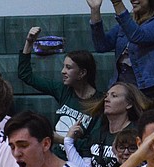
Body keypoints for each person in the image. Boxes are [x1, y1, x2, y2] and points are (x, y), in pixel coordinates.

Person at [18, 28, 102, 160]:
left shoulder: (100, 102)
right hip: (55, 157)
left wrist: (62, 140)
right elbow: (26, 75)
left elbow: (93, 145)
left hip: (78, 161)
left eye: (68, 68)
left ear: (82, 73)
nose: (63, 71)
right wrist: (29, 42)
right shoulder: (63, 90)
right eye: (63, 66)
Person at [86, 0, 154, 115]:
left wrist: (117, 3)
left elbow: (138, 36)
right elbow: (101, 45)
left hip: (153, 93)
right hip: (125, 93)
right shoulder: (126, 24)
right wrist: (95, 10)